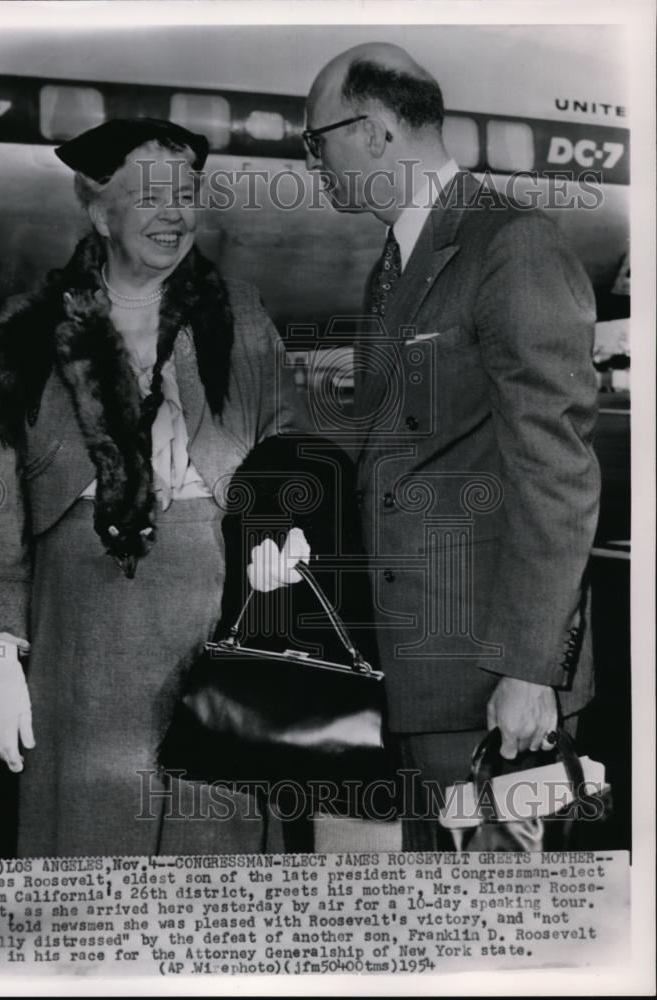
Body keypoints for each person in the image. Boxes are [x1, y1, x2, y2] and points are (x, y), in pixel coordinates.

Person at [0, 118, 307, 857]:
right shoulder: (31, 325)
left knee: (216, 849)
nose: (175, 214)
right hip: (81, 634)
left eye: (186, 194)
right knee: (90, 848)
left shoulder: (238, 313)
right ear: (99, 210)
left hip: (218, 619)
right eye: (150, 196)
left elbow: (291, 444)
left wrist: (284, 531)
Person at [303, 44, 600, 845]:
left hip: (490, 680)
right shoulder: (397, 263)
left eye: (316, 139)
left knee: (504, 941)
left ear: (372, 131)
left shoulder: (511, 243)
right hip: (418, 676)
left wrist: (531, 669)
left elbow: (558, 471)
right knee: (440, 930)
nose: (314, 163)